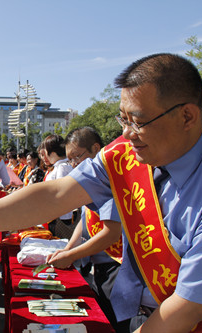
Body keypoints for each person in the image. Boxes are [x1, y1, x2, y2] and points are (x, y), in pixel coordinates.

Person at [0, 53, 202, 333]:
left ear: (187, 115)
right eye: (123, 119)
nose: (127, 134)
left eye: (138, 121)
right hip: (139, 311)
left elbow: (189, 307)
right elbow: (56, 195)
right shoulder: (127, 153)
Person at [47, 127, 127, 332]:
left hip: (117, 266)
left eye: (77, 157)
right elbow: (85, 218)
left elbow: (111, 233)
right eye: (70, 160)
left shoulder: (110, 178)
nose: (74, 165)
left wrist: (72, 254)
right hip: (98, 266)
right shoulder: (89, 180)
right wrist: (69, 248)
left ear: (95, 148)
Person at [40, 134, 75, 238]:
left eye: (45, 151)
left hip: (61, 218)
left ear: (52, 152)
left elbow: (61, 193)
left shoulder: (62, 168)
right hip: (57, 215)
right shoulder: (59, 167)